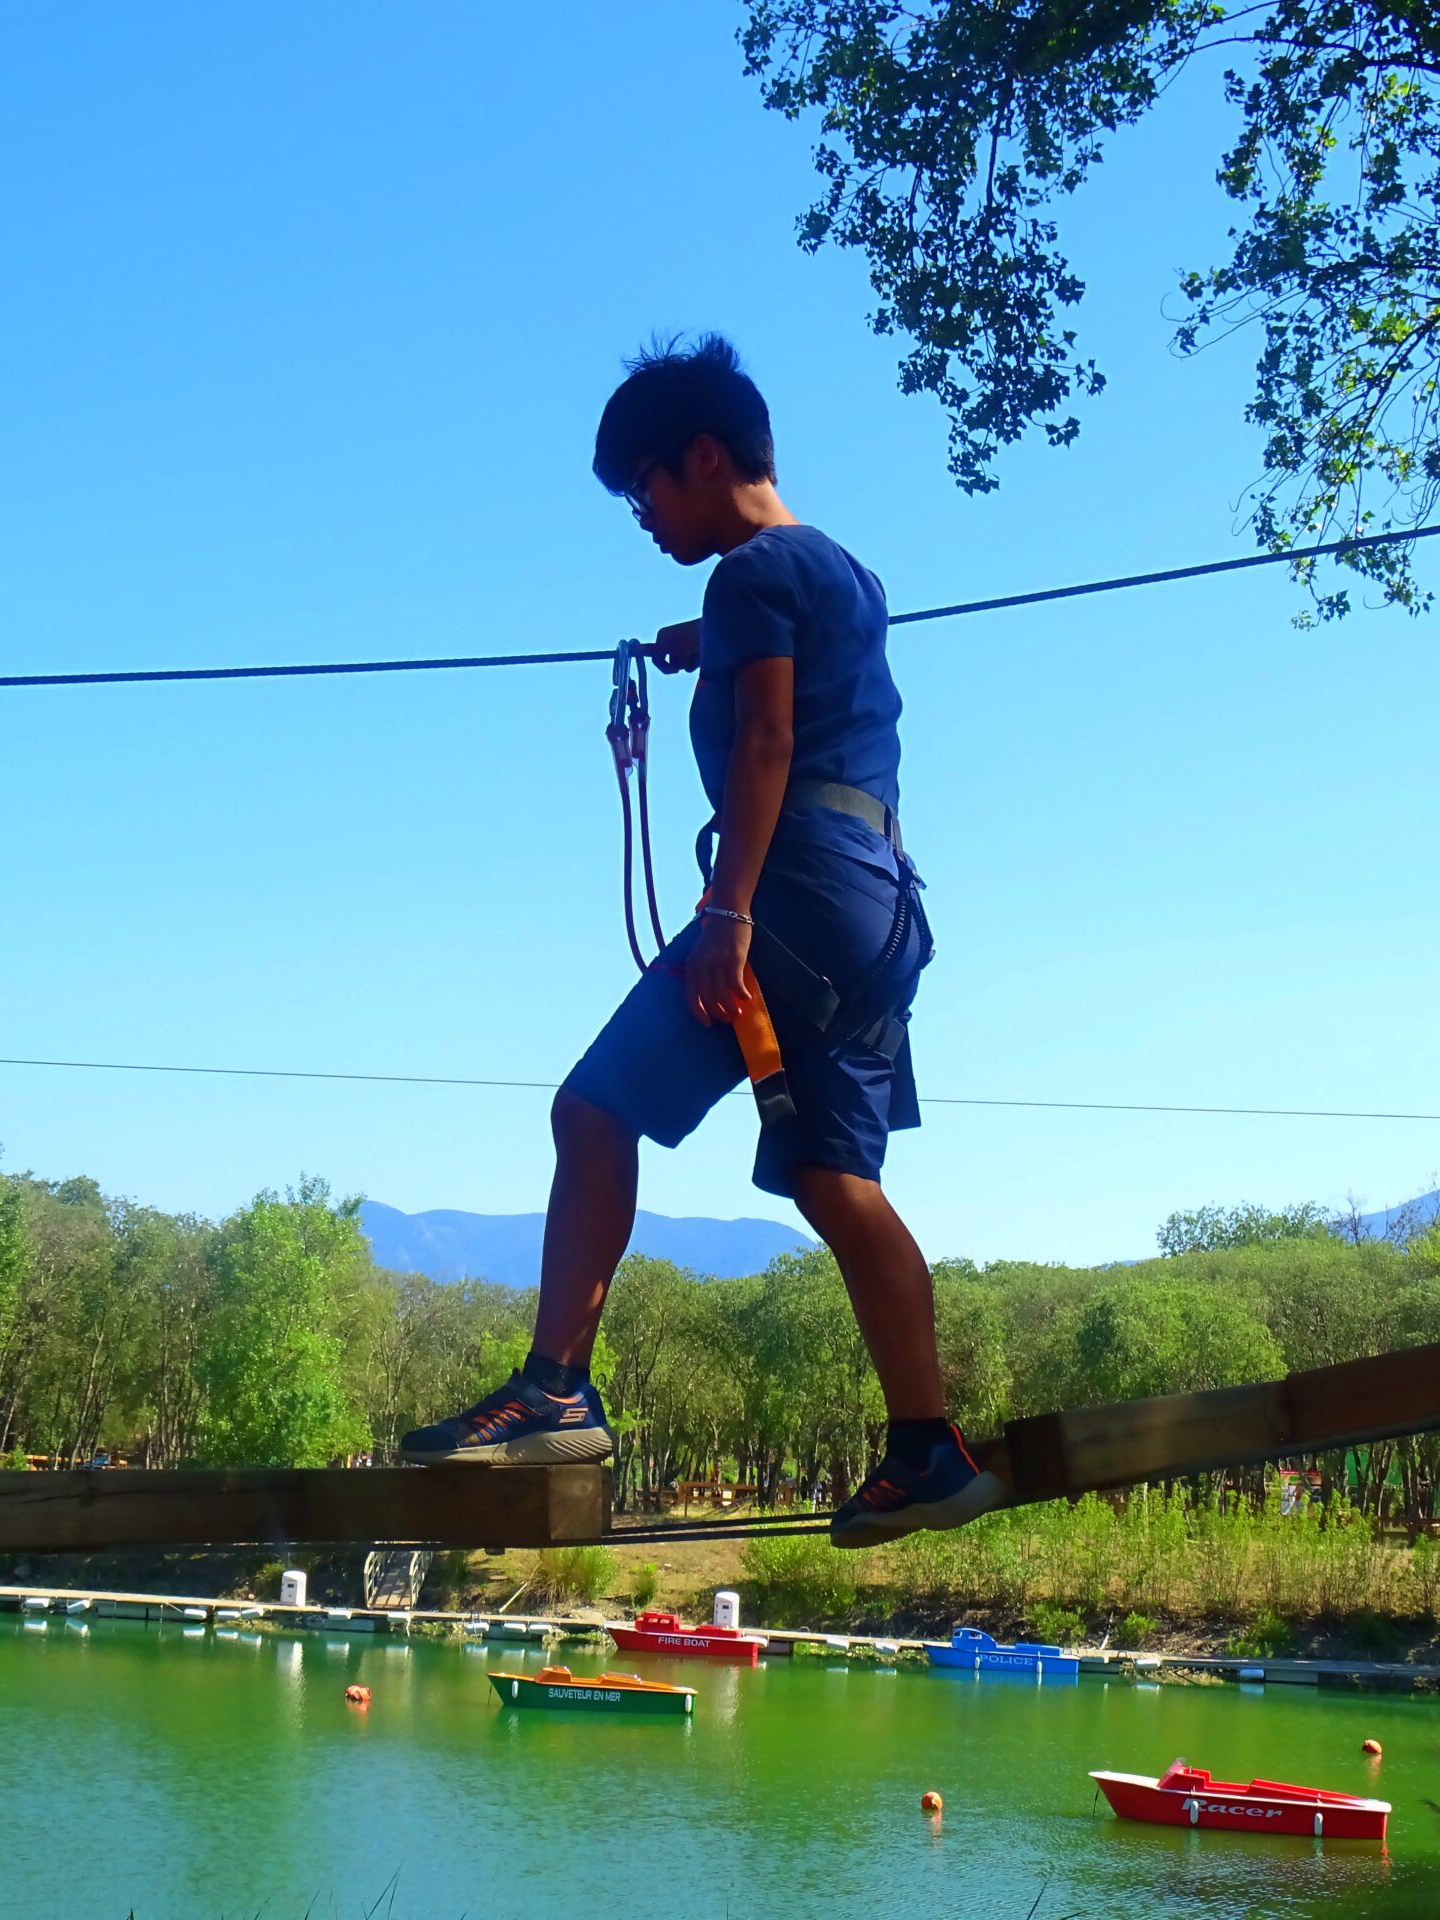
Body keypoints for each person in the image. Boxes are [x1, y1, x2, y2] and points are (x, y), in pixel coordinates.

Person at [400, 335, 1002, 1548]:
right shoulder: (840, 571)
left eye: (646, 487)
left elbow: (767, 745)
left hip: (787, 893)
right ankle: (927, 1451)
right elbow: (805, 667)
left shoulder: (750, 580)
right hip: (878, 908)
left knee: (592, 1111)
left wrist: (727, 913)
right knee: (836, 1182)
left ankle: (555, 1391)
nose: (641, 515)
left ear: (706, 457)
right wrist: (706, 638)